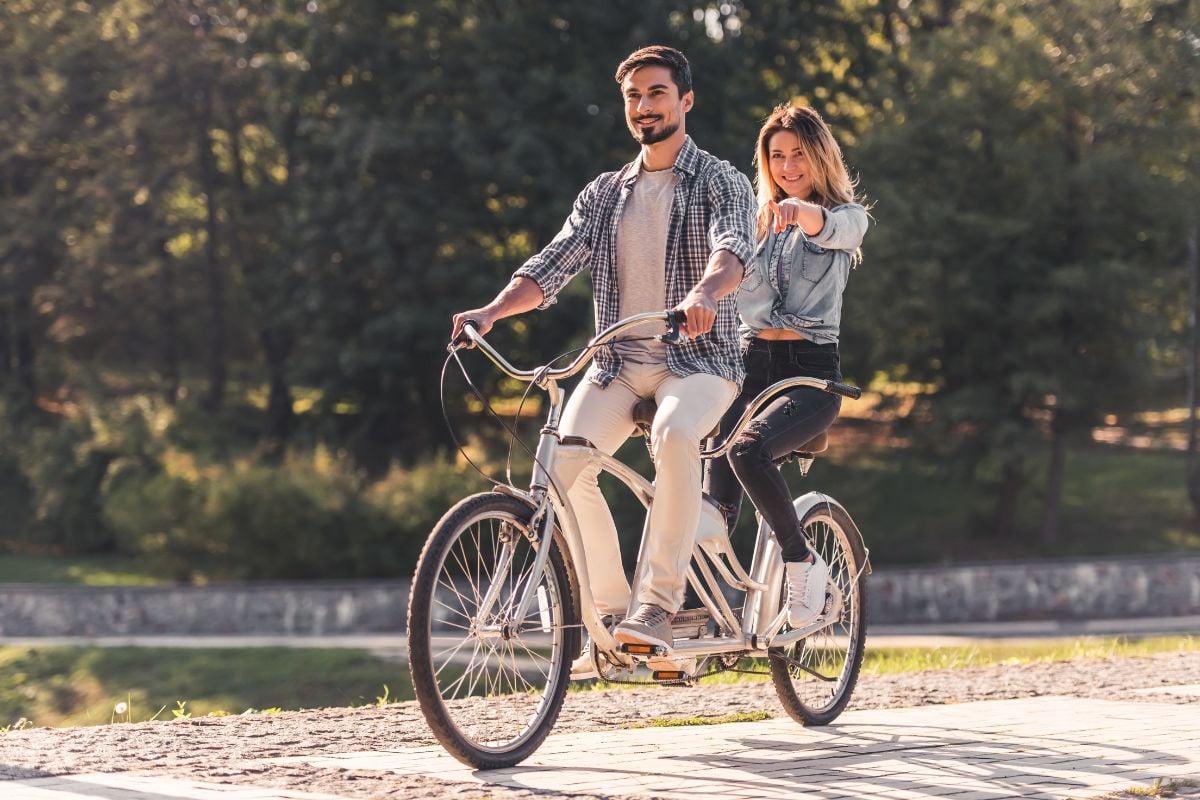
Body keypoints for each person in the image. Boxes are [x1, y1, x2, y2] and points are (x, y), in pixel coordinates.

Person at [450, 46, 755, 657]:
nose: (644, 106)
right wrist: (492, 311)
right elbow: (552, 264)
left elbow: (733, 250)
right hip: (616, 362)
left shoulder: (720, 180)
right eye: (633, 97)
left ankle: (657, 605)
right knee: (560, 467)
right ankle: (610, 613)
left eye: (657, 93)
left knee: (675, 435)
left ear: (686, 100)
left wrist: (704, 292)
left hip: (699, 361)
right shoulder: (605, 194)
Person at [703, 104, 869, 627]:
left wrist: (799, 212)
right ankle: (691, 607)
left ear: (819, 157)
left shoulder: (848, 217)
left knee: (747, 450)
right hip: (747, 366)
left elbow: (828, 227)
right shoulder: (749, 224)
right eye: (777, 156)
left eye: (799, 154)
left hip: (811, 374)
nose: (788, 166)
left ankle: (801, 560)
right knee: (707, 494)